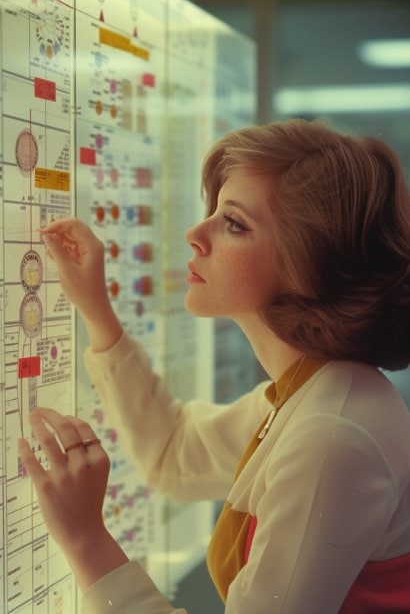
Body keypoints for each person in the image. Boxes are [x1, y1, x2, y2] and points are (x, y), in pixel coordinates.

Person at [19, 118, 410, 613]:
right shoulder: (319, 389)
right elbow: (175, 453)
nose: (194, 234)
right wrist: (97, 312)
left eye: (233, 223)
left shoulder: (330, 436)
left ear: (309, 263)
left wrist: (85, 539)